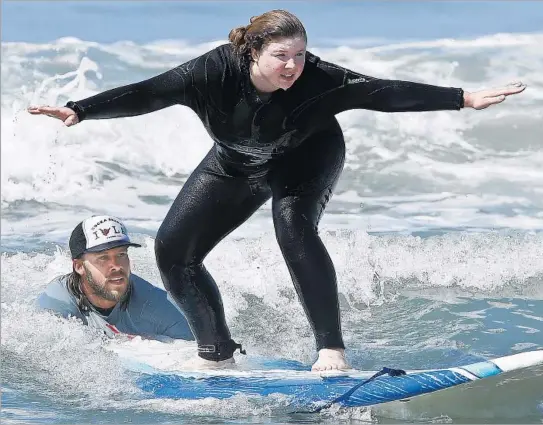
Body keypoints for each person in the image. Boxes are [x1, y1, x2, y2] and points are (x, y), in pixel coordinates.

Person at [28, 9, 526, 371]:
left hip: (307, 157)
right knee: (176, 252)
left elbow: (382, 91)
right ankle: (216, 353)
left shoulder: (320, 81)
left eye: (300, 55)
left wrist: (462, 98)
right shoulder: (210, 73)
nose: (293, 65)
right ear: (251, 53)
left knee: (292, 227)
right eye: (281, 56)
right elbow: (147, 92)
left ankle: (330, 348)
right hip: (237, 162)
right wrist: (83, 108)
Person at [37, 215, 194, 342]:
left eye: (121, 255)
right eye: (103, 258)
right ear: (79, 266)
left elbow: (195, 354)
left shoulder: (158, 305)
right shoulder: (57, 302)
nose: (117, 266)